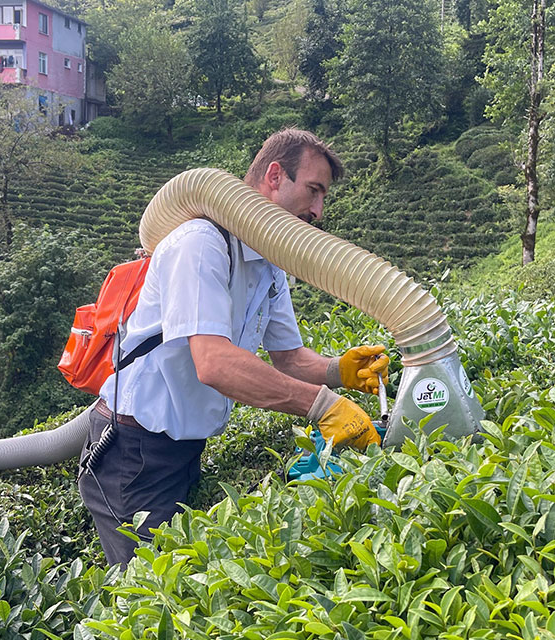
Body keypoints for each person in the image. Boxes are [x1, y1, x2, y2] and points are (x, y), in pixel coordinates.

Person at [77, 128, 389, 567]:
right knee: (150, 600)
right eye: (314, 190)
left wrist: (341, 371)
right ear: (275, 176)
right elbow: (215, 364)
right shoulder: (200, 243)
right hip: (135, 454)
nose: (318, 210)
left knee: (185, 585)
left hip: (184, 447)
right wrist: (323, 406)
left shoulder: (270, 260)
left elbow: (289, 358)